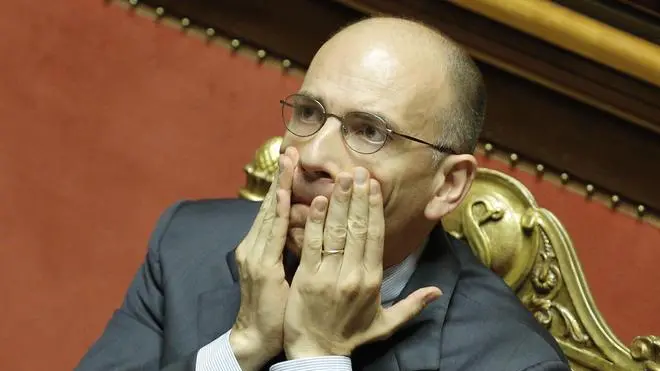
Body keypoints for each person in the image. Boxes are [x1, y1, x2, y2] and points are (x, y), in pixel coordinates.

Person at [76, 17, 569, 371]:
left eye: (369, 131)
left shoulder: (513, 362)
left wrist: (317, 356)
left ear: (447, 185)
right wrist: (239, 347)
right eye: (310, 113)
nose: (312, 156)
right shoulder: (185, 243)